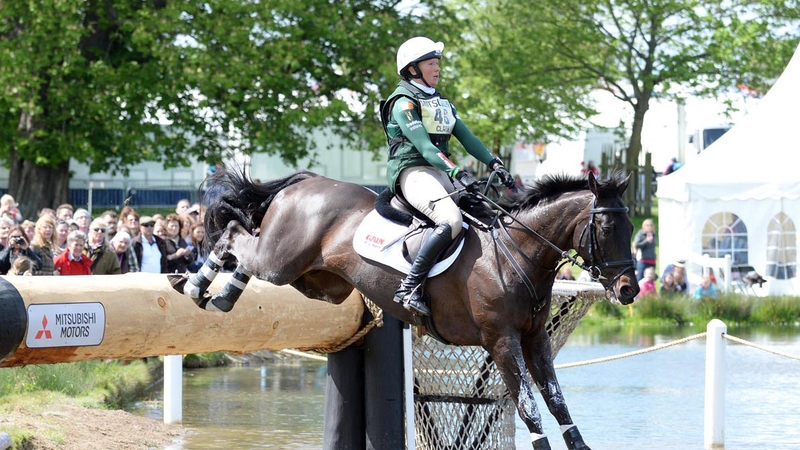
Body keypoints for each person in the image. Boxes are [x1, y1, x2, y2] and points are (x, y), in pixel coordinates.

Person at [380, 36, 515, 316]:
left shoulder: (440, 102)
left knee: (487, 215)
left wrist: (495, 164)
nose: (437, 68)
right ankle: (409, 287)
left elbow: (468, 138)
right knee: (451, 220)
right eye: (431, 63)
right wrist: (457, 172)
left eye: (437, 63)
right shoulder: (403, 103)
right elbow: (425, 147)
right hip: (413, 172)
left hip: (439, 171)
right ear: (413, 69)